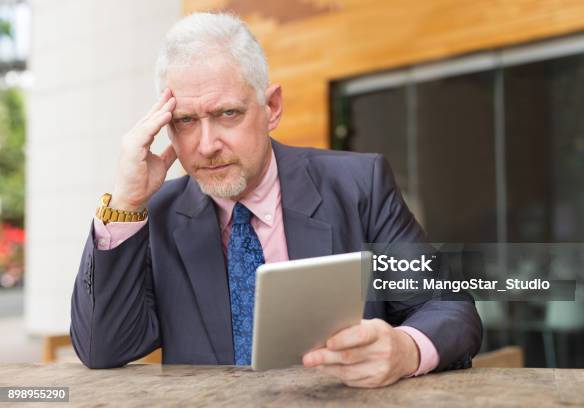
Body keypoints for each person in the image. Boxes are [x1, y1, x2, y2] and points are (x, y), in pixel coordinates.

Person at [70, 12, 481, 388]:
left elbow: (449, 308)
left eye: (228, 113)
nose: (207, 145)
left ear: (272, 108)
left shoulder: (358, 185)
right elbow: (102, 348)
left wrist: (405, 349)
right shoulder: (154, 213)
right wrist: (127, 200)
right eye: (186, 121)